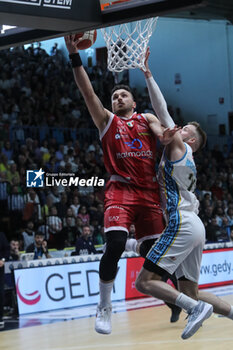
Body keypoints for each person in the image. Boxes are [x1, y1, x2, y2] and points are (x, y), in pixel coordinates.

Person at [65, 35, 179, 335]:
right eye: (115, 96)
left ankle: (174, 296)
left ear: (133, 101)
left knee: (153, 253)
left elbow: (160, 131)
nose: (118, 98)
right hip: (120, 190)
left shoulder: (146, 119)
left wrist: (166, 138)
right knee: (114, 244)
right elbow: (87, 91)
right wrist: (74, 54)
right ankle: (104, 306)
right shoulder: (106, 121)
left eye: (123, 95)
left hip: (150, 194)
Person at [135, 49, 233, 340]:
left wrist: (147, 74)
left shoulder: (180, 147)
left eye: (184, 127)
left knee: (144, 282)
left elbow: (161, 109)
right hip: (195, 225)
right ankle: (213, 308)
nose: (178, 126)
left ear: (189, 139)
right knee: (192, 291)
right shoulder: (185, 156)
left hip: (182, 222)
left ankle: (193, 310)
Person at [0, 231, 10, 330]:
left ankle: (0, 317)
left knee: (0, 293)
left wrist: (3, 260)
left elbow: (6, 249)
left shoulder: (1, 235)